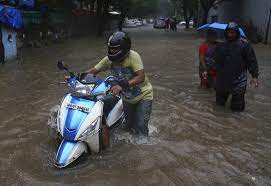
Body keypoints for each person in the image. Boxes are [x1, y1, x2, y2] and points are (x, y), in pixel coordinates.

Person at [86, 31, 153, 136]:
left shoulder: (133, 57)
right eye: (111, 48)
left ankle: (143, 148)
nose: (112, 51)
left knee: (141, 127)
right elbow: (93, 71)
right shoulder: (108, 60)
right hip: (127, 98)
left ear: (125, 48)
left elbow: (141, 77)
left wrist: (121, 86)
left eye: (115, 49)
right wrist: (76, 77)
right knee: (128, 126)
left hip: (144, 96)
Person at [215, 22, 259, 112]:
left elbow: (252, 61)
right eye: (228, 32)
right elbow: (216, 61)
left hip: (239, 80)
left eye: (232, 32)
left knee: (237, 110)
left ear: (237, 33)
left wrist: (254, 76)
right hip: (223, 79)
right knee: (218, 107)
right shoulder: (221, 45)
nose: (230, 35)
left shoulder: (245, 44)